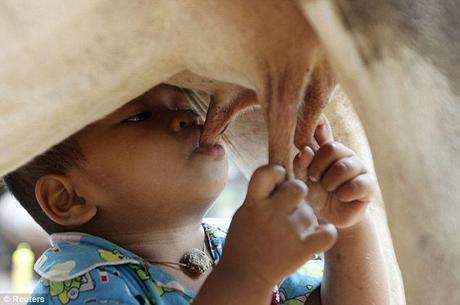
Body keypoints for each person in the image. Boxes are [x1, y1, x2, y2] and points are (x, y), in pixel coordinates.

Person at [3, 84, 389, 305]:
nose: (190, 117)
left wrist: (346, 226)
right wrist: (247, 274)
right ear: (67, 198)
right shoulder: (79, 289)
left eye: (188, 106)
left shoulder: (227, 244)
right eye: (139, 116)